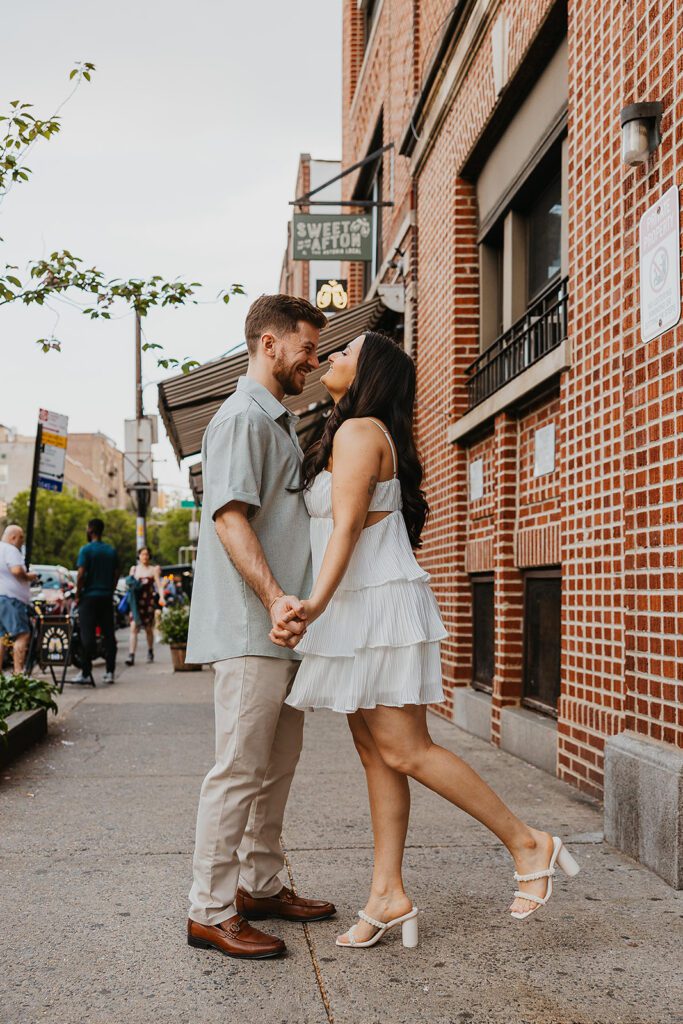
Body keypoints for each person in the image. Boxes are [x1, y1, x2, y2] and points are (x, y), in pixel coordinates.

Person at [280, 331, 581, 949]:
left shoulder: (359, 432)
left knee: (407, 748)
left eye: (344, 354)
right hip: (358, 606)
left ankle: (529, 843)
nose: (330, 359)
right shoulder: (351, 430)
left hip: (371, 605)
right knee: (376, 752)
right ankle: (388, 892)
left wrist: (313, 605)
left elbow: (343, 534)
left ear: (370, 375)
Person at [185, 293, 336, 962]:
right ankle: (210, 911)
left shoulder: (275, 419)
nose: (314, 359)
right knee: (239, 771)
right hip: (255, 627)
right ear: (267, 343)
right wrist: (276, 598)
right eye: (305, 346)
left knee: (275, 767)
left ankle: (262, 885)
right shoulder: (244, 418)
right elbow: (228, 518)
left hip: (281, 631)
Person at [73, 518, 118, 685]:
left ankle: (85, 672)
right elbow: (116, 573)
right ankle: (110, 672)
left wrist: (78, 594)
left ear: (90, 530)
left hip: (89, 598)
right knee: (109, 635)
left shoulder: (86, 550)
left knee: (87, 636)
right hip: (106, 597)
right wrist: (111, 590)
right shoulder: (110, 551)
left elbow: (80, 574)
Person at [0, 525, 39, 673]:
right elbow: (16, 570)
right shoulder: (10, 550)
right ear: (13, 537)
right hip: (12, 600)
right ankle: (18, 675)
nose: (22, 541)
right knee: (22, 635)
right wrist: (30, 576)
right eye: (21, 537)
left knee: (1, 637)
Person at [124, 547, 165, 666]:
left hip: (148, 603)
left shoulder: (153, 570)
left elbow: (159, 585)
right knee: (133, 627)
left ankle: (150, 651)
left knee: (148, 628)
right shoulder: (134, 569)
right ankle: (131, 655)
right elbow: (129, 583)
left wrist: (161, 597)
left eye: (147, 554)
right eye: (142, 554)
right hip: (136, 603)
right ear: (139, 556)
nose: (145, 557)